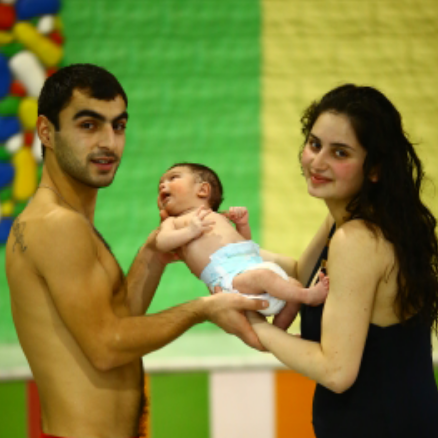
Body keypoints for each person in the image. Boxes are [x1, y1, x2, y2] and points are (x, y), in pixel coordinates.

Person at [4, 63, 268, 438]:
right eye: (88, 125)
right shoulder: (57, 224)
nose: (109, 142)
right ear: (46, 131)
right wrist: (203, 309)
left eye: (119, 126)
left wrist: (152, 253)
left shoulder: (64, 221)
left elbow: (116, 322)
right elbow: (106, 347)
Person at [246, 84, 438, 437]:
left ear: (375, 168)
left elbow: (336, 371)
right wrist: (219, 245)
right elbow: (301, 274)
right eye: (314, 144)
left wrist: (252, 324)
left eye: (340, 153)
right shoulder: (353, 219)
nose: (318, 162)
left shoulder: (358, 239)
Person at [155, 163, 329, 319]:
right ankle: (308, 296)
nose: (162, 185)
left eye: (173, 178)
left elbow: (243, 246)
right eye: (160, 184)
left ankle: (279, 331)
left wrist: (242, 225)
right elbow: (161, 242)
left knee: (294, 284)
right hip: (229, 282)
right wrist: (189, 231)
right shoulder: (174, 222)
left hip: (252, 270)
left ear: (203, 190)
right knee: (266, 277)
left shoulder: (217, 217)